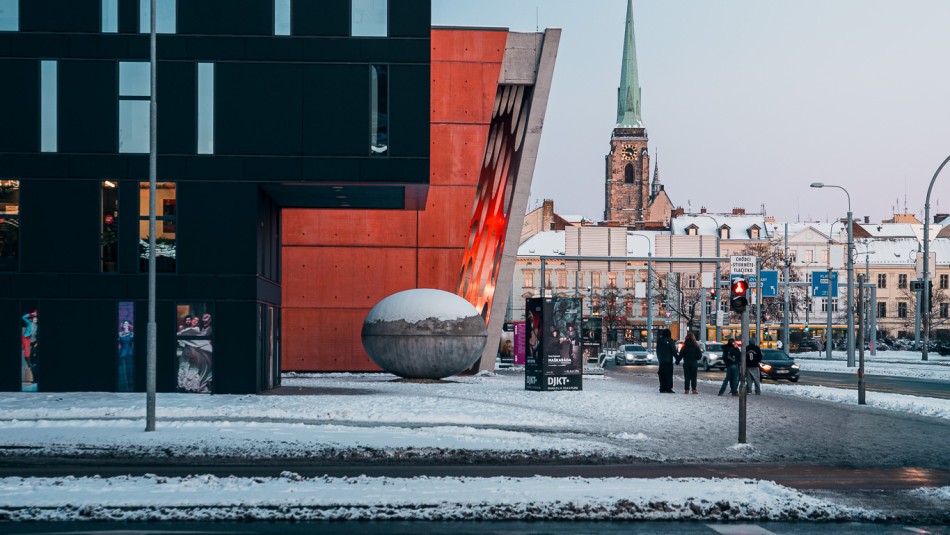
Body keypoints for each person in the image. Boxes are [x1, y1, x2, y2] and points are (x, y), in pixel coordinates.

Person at [655, 329, 678, 393]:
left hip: (661, 361)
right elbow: (673, 350)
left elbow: (657, 350)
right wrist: (677, 358)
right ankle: (668, 388)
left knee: (661, 375)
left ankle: (662, 387)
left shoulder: (659, 340)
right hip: (668, 361)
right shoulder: (670, 340)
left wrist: (659, 358)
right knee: (668, 375)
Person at [117, 320, 134, 392]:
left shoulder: (132, 334)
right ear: (122, 325)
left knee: (130, 371)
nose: (125, 325)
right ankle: (123, 389)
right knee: (123, 372)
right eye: (124, 323)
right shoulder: (120, 334)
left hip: (130, 353)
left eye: (127, 323)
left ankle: (131, 389)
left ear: (129, 325)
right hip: (122, 354)